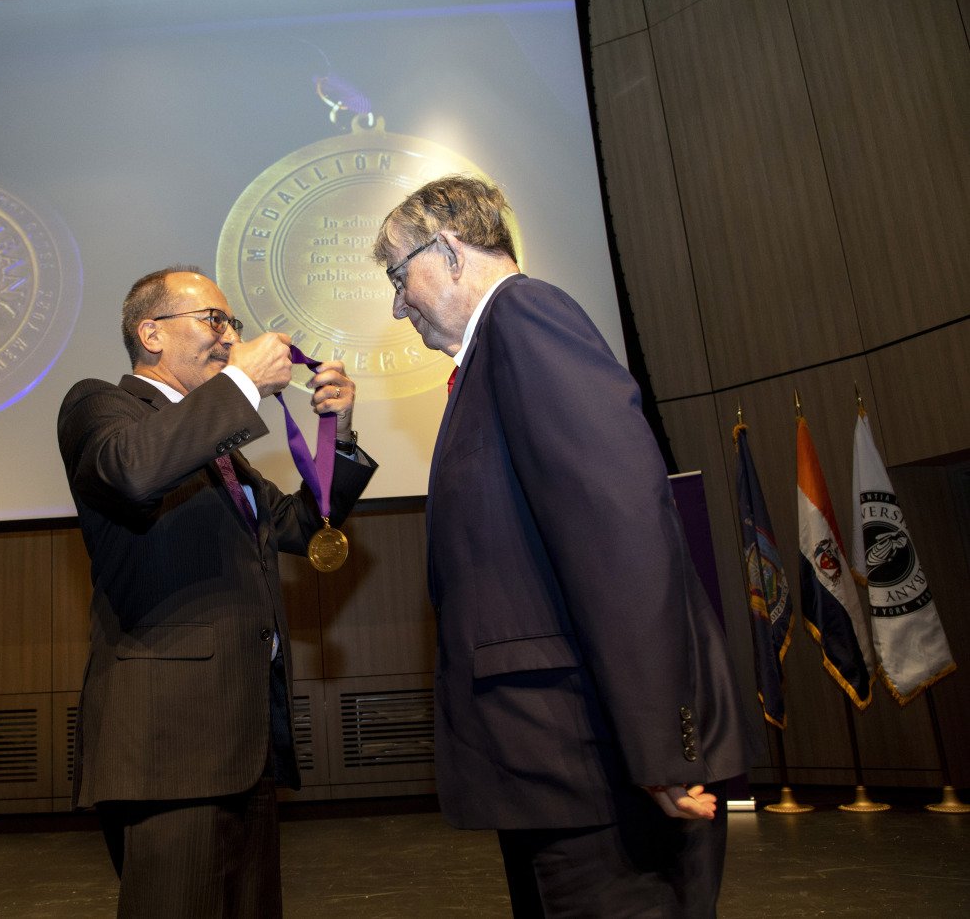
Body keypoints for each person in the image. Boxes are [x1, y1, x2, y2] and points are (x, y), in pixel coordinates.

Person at [373, 176, 747, 918]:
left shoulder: (524, 316)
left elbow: (620, 528)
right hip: (558, 766)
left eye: (396, 274)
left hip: (598, 761)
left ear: (447, 250)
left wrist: (657, 748)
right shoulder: (487, 356)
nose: (395, 303)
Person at [57, 266, 375, 918]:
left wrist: (337, 436)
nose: (230, 336)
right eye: (213, 321)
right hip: (166, 741)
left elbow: (297, 525)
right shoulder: (99, 407)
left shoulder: (221, 453)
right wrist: (239, 385)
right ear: (150, 333)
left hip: (243, 734)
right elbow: (133, 471)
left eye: (231, 323)